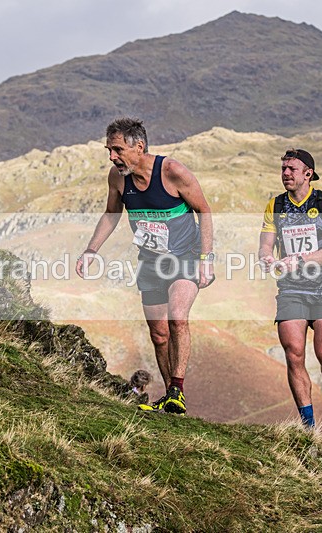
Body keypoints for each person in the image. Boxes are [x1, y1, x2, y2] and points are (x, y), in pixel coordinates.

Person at [76, 118, 214, 415]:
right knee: (159, 334)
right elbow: (111, 214)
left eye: (117, 149)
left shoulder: (172, 172)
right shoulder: (118, 178)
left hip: (185, 257)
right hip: (151, 262)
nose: (112, 157)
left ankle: (176, 391)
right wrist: (91, 250)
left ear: (138, 147)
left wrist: (206, 259)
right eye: (108, 150)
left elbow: (204, 210)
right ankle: (171, 394)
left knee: (177, 318)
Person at [258, 149, 322, 436]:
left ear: (308, 174)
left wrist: (300, 260)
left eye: (292, 169)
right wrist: (266, 258)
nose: (286, 173)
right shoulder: (275, 205)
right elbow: (265, 245)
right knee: (294, 354)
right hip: (291, 289)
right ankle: (308, 426)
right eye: (283, 168)